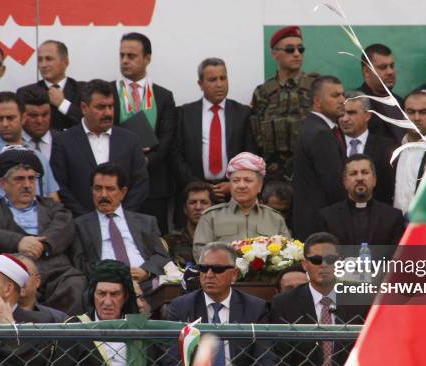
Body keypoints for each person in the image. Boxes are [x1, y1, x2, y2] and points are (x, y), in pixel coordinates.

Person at [164, 242, 274, 366]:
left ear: (234, 274)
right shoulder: (181, 307)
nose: (208, 274)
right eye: (203, 268)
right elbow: (171, 360)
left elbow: (266, 355)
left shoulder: (254, 307)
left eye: (217, 269)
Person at [0, 147, 84, 314]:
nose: (27, 185)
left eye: (31, 179)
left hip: (56, 271)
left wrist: (43, 244)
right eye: (19, 179)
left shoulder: (53, 207)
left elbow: (65, 226)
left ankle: (66, 338)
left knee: (75, 284)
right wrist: (18, 242)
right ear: (3, 184)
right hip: (12, 273)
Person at [270, 232, 368, 366]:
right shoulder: (284, 303)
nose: (323, 265)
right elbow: (282, 358)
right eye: (316, 260)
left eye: (330, 260)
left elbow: (369, 352)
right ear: (304, 264)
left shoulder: (361, 298)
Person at [53, 260, 159, 366]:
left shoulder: (143, 329)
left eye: (115, 294)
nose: (107, 302)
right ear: (92, 294)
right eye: (101, 294)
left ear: (126, 296)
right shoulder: (74, 327)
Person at [50, 79, 149, 217]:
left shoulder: (130, 140)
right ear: (84, 108)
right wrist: (87, 220)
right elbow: (61, 186)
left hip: (123, 224)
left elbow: (140, 184)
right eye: (101, 107)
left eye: (111, 106)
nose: (108, 113)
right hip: (80, 226)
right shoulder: (64, 141)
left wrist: (121, 216)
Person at [113, 32, 177, 234]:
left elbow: (167, 139)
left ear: (147, 58)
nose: (125, 61)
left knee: (155, 242)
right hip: (117, 182)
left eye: (131, 56)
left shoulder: (163, 96)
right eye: (122, 55)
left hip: (154, 183)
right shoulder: (109, 93)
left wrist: (146, 161)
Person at [71, 162, 169, 292]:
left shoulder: (146, 221)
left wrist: (146, 271)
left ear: (123, 192)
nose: (103, 195)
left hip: (145, 284)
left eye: (110, 189)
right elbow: (79, 263)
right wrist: (113, 275)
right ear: (91, 191)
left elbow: (162, 256)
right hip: (106, 286)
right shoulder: (79, 225)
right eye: (98, 188)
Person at [174, 58, 256, 200]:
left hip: (233, 193)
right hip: (194, 194)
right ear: (200, 84)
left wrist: (233, 183)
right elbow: (176, 155)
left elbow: (250, 155)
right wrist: (197, 185)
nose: (219, 84)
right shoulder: (184, 114)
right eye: (212, 80)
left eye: (223, 78)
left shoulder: (243, 114)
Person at [0, 92, 60, 206]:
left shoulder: (37, 155)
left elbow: (53, 198)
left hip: (41, 220)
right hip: (0, 221)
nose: (5, 124)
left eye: (10, 118)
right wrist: (15, 212)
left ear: (23, 118)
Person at [251, 26, 318, 180]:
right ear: (275, 54)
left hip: (310, 170)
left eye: (300, 49)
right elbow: (256, 138)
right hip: (274, 174)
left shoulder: (317, 86)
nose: (296, 54)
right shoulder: (263, 92)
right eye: (289, 49)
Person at [193, 152, 289, 260]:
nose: (241, 186)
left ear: (260, 186)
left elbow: (287, 254)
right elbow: (200, 254)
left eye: (248, 180)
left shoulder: (275, 218)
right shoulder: (211, 217)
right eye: (236, 180)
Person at [293, 76, 347, 241]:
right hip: (320, 223)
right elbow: (334, 183)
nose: (342, 100)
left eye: (343, 95)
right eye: (335, 95)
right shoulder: (321, 133)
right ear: (317, 101)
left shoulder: (315, 127)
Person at [318, 154, 404, 246]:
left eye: (365, 172)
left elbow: (398, 257)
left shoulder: (393, 217)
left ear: (374, 179)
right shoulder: (328, 217)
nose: (360, 178)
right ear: (345, 182)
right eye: (353, 173)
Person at [339, 91, 396, 204]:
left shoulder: (387, 148)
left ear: (367, 115)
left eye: (351, 113)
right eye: (341, 113)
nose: (344, 119)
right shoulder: (330, 145)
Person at [17, 40, 83, 131]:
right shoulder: (26, 92)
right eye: (40, 60)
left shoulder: (82, 89)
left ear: (65, 62)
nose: (43, 65)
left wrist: (62, 104)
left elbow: (91, 122)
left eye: (49, 59)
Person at [393, 91, 426, 215]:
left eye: (423, 112)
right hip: (392, 228)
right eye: (411, 112)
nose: (416, 118)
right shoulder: (390, 150)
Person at [357, 43, 406, 144]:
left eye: (391, 66)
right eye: (383, 67)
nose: (390, 72)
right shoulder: (357, 103)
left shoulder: (401, 102)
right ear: (366, 72)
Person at [163, 181, 215, 267]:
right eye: (193, 202)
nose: (198, 207)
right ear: (185, 209)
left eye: (204, 202)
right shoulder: (170, 241)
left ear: (213, 208)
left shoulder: (220, 239)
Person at [16, 254, 68, 322]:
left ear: (37, 281)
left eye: (25, 274)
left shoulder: (58, 319)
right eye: (13, 275)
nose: (19, 279)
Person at [17, 85, 56, 160]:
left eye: (45, 115)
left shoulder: (65, 142)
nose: (40, 121)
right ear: (21, 115)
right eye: (33, 115)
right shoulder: (9, 143)